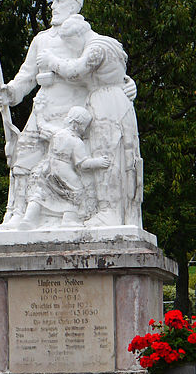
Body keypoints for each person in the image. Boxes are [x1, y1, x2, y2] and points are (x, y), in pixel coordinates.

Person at [0, 0, 139, 230]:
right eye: (53, 1)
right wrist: (10, 93)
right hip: (43, 108)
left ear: (74, 5)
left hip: (76, 114)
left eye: (59, 1)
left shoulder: (81, 37)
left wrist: (128, 83)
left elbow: (105, 71)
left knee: (72, 170)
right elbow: (26, 76)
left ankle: (73, 215)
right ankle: (17, 213)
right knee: (23, 159)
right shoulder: (41, 40)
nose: (53, 6)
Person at [36, 13, 143, 227]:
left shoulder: (96, 47)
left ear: (78, 35)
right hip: (115, 102)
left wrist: (52, 61)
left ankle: (109, 213)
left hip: (107, 106)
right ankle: (118, 213)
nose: (73, 49)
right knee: (119, 158)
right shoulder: (110, 44)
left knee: (107, 156)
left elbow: (76, 71)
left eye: (72, 43)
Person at [18, 106, 110, 229]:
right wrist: (98, 162)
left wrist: (38, 111)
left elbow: (42, 125)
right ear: (77, 125)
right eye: (84, 127)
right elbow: (83, 164)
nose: (84, 130)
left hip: (47, 167)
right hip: (64, 170)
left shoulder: (57, 132)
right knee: (76, 191)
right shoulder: (76, 142)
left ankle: (29, 218)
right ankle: (69, 220)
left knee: (40, 191)